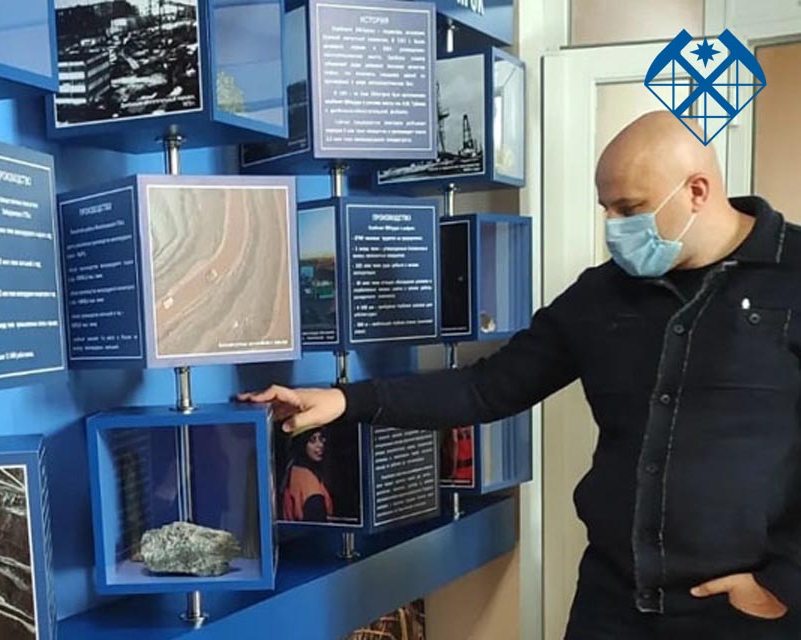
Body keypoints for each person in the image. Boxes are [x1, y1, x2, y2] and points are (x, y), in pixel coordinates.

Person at [240, 111, 801, 639]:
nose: (612, 226)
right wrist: (345, 401)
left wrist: (784, 581)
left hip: (743, 610)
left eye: (629, 208)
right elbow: (486, 388)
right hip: (614, 600)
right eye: (605, 208)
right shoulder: (600, 296)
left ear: (697, 191)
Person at [279, 425, 333, 522]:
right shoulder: (309, 485)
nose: (320, 445)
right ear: (302, 443)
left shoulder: (293, 470)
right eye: (312, 440)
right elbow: (317, 526)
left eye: (321, 439)